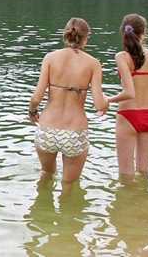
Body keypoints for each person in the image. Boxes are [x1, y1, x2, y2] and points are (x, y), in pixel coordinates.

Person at [28, 17, 108, 183]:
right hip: (74, 132)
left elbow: (37, 96)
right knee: (69, 185)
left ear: (65, 35)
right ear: (86, 37)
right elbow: (99, 105)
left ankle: (42, 208)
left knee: (46, 175)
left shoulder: (50, 58)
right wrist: (107, 101)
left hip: (47, 129)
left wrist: (32, 111)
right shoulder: (93, 63)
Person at [108, 13, 148, 178]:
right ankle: (145, 202)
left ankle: (131, 203)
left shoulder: (121, 57)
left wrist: (107, 100)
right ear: (144, 33)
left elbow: (128, 92)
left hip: (128, 115)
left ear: (123, 32)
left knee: (126, 176)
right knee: (144, 172)